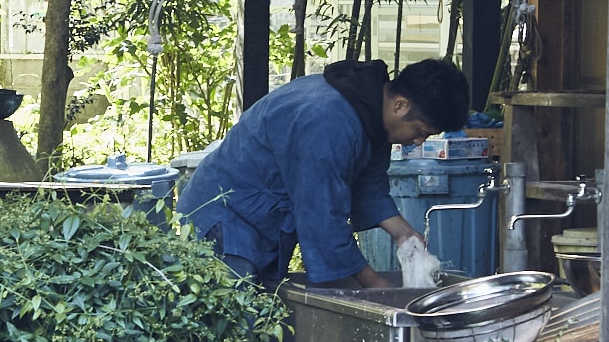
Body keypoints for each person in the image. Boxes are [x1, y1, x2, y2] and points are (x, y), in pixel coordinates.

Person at [180, 57, 471, 289]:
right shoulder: (329, 120)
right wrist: (376, 287)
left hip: (258, 220)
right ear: (400, 105)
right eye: (420, 132)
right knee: (229, 333)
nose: (418, 142)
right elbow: (321, 216)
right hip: (224, 218)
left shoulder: (370, 114)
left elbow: (368, 187)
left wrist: (403, 233)